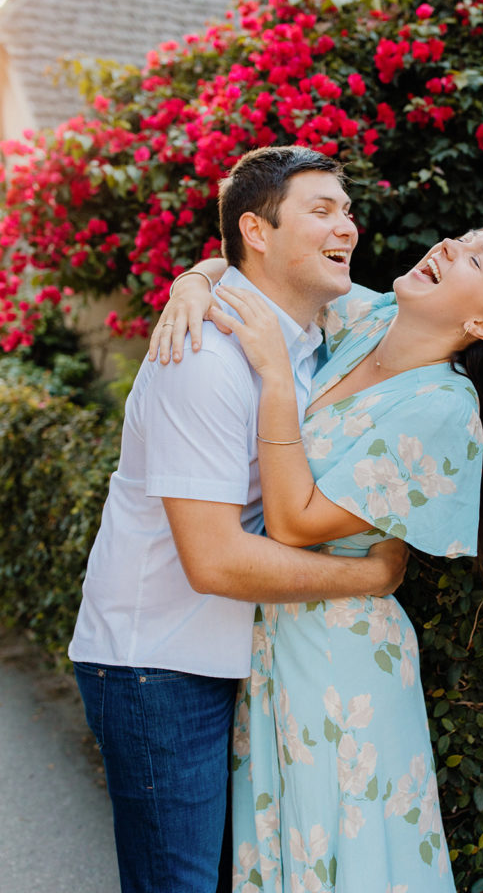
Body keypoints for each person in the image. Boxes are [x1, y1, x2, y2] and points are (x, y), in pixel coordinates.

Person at [155, 221, 483, 892]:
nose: (446, 247)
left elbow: (295, 521)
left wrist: (273, 373)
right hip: (271, 649)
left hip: (343, 668)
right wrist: (191, 283)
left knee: (343, 867)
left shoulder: (442, 407)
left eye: (475, 258)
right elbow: (256, 276)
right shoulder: (369, 320)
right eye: (459, 238)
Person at [67, 145, 409, 893]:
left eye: (346, 211)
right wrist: (368, 576)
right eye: (321, 211)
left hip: (237, 653)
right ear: (257, 231)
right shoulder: (202, 355)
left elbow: (441, 354)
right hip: (156, 661)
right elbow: (215, 560)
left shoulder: (322, 336)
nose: (345, 226)